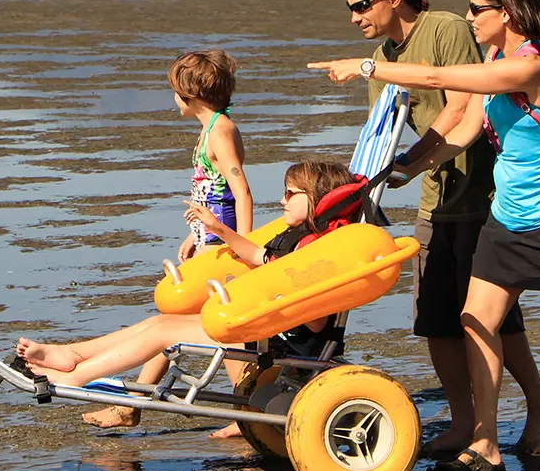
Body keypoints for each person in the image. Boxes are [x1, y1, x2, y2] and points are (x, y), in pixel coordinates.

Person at [310, 0, 540, 471]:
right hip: (506, 219)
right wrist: (410, 167)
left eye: (477, 9)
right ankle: (485, 442)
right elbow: (466, 126)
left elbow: (438, 78)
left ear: (506, 12)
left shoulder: (534, 69)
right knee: (474, 320)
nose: (469, 17)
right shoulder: (495, 57)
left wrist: (365, 68)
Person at [17, 159, 352, 390]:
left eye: (291, 193)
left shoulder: (316, 252)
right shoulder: (298, 239)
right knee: (157, 323)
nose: (282, 199)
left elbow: (317, 322)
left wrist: (274, 287)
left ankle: (77, 377)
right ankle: (73, 354)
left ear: (319, 200)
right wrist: (219, 228)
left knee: (164, 331)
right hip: (259, 327)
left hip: (274, 339)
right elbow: (259, 256)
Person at [82, 50, 254, 437]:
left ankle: (244, 415)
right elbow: (213, 194)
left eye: (174, 91)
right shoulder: (209, 129)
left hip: (223, 249)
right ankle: (238, 414)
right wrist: (192, 237)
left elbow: (241, 192)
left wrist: (242, 247)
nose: (173, 99)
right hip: (208, 242)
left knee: (218, 330)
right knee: (194, 327)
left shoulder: (222, 131)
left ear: (189, 95)